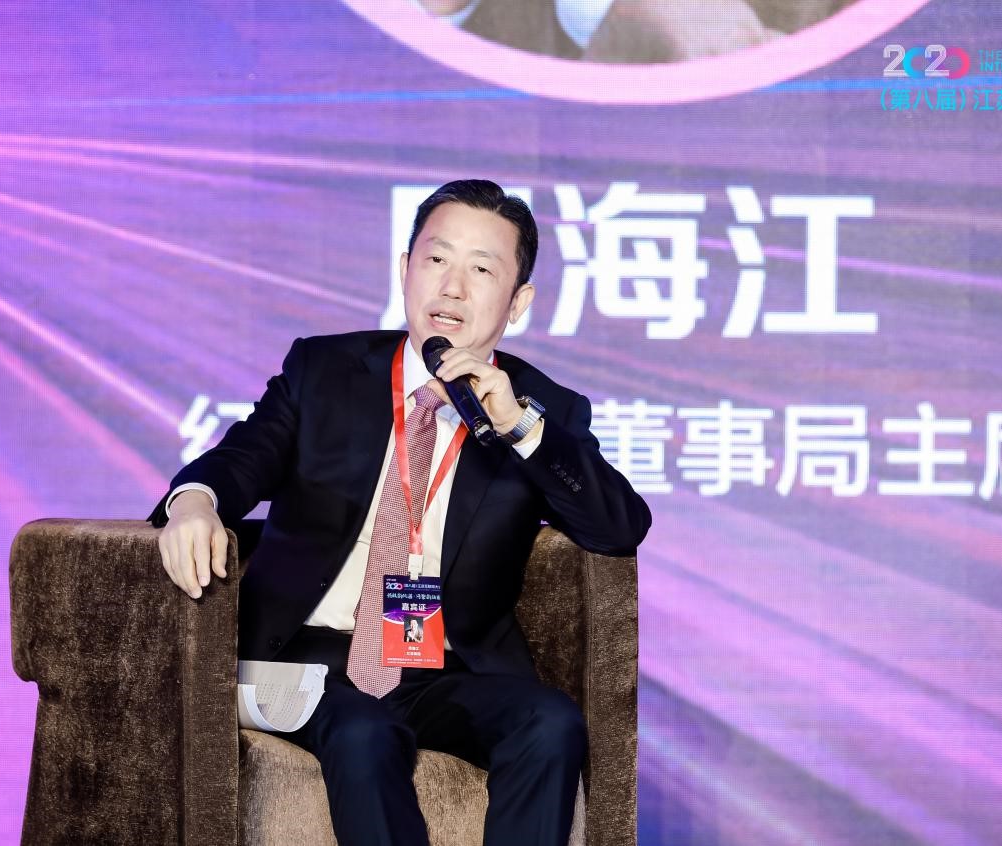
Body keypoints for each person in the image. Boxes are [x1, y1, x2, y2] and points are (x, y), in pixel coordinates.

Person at [149, 179, 651, 846]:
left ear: (518, 301)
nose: (452, 287)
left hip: (441, 667)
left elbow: (618, 528)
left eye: (481, 270)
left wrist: (519, 427)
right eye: (436, 259)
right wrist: (194, 502)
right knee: (366, 730)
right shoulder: (324, 370)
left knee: (550, 722)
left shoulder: (539, 407)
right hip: (306, 661)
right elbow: (241, 460)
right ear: (405, 269)